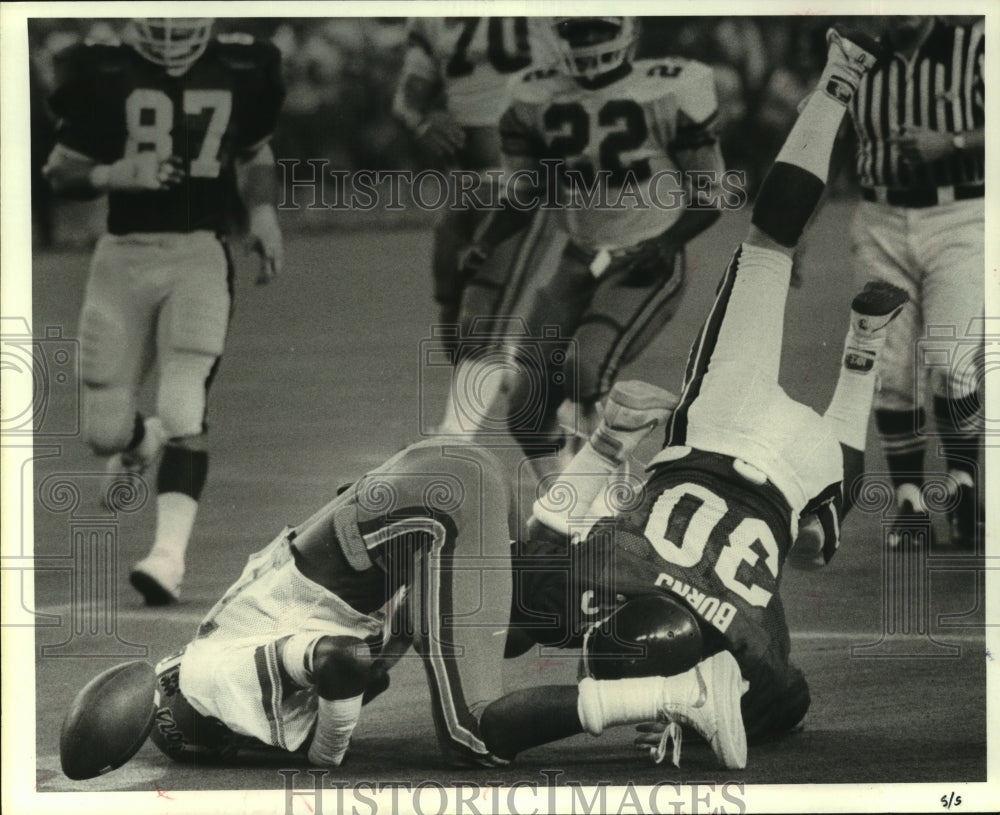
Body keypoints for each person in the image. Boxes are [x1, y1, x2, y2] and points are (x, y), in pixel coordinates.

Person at [66, 26, 902, 775]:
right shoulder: (214, 650)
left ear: (174, 707)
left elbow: (337, 668)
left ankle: (672, 697)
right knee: (510, 598)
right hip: (426, 508)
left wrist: (326, 751)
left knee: (472, 729)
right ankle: (612, 442)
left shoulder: (209, 684)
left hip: (450, 509)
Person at [42, 18, 286, 604]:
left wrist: (261, 213)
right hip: (122, 256)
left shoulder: (238, 67)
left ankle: (167, 558)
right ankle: (139, 441)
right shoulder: (105, 71)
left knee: (183, 405)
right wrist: (112, 173)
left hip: (198, 252)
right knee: (103, 431)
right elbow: (58, 169)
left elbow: (254, 150)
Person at [452, 16, 728, 473]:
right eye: (576, 31)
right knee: (525, 404)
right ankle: (560, 502)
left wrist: (669, 241)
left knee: (584, 370)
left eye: (597, 29)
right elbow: (525, 193)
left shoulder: (670, 86)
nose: (587, 40)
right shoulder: (532, 94)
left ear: (624, 28)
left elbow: (712, 195)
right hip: (580, 257)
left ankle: (612, 499)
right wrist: (486, 242)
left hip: (645, 256)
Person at [844, 16, 985, 549]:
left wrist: (951, 141)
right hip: (879, 216)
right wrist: (799, 230)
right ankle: (909, 501)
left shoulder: (974, 45)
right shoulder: (855, 52)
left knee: (951, 360)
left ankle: (963, 484)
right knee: (890, 368)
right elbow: (824, 135)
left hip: (962, 213)